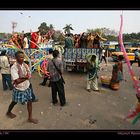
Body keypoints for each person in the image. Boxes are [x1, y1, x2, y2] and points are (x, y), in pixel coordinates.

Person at [6, 51, 38, 124]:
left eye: (23, 57)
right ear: (16, 58)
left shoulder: (25, 65)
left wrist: (23, 77)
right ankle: (8, 112)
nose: (22, 58)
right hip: (18, 88)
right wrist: (26, 77)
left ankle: (30, 118)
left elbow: (29, 74)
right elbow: (17, 81)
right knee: (14, 101)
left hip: (26, 87)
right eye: (20, 57)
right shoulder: (14, 67)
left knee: (29, 102)